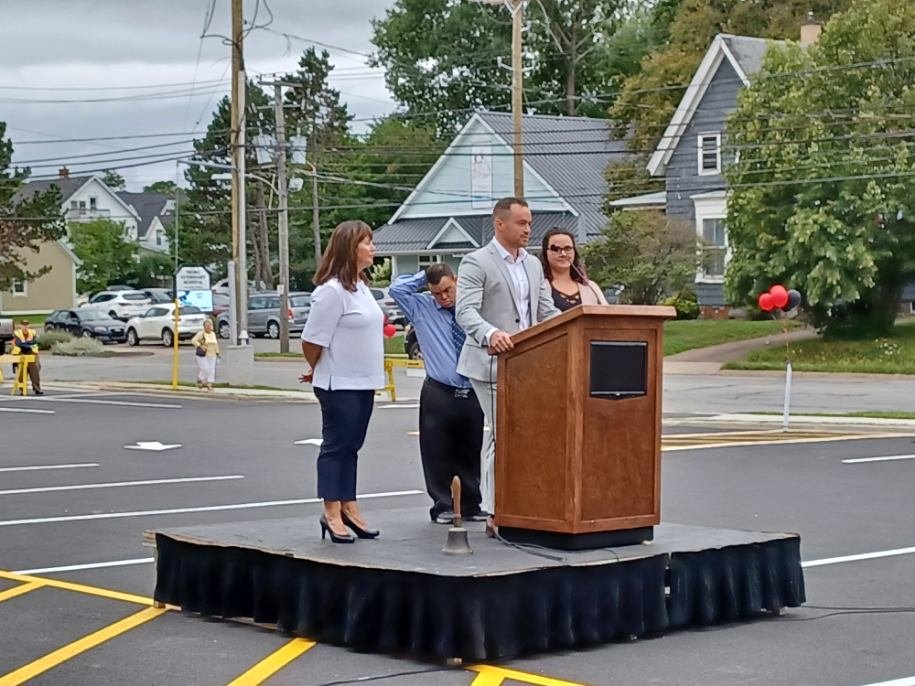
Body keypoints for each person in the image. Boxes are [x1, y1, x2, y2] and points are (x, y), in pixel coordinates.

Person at [455, 197, 561, 535]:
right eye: (521, 223)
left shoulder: (532, 265)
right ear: (499, 224)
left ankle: (506, 505)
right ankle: (496, 511)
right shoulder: (476, 262)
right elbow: (465, 312)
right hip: (489, 363)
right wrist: (491, 333)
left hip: (527, 364)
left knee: (507, 435)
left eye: (530, 223)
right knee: (505, 434)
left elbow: (545, 311)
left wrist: (578, 326)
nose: (528, 229)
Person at [300, 220, 385, 544]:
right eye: (368, 242)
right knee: (336, 447)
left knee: (352, 447)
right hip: (339, 383)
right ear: (351, 248)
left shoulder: (360, 287)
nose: (373, 247)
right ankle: (331, 510)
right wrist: (319, 368)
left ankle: (349, 505)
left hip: (364, 381)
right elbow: (311, 341)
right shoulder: (331, 292)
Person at [389, 263, 486, 525]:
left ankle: (470, 504)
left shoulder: (469, 307)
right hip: (440, 389)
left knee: (470, 450)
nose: (443, 298)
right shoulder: (421, 308)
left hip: (471, 389)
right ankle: (443, 504)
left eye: (447, 290)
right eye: (437, 293)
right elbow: (396, 289)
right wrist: (425, 275)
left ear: (456, 281)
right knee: (437, 451)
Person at [540, 227, 608, 311]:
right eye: (556, 249)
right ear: (545, 253)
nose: (563, 254)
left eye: (568, 248)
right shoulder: (540, 288)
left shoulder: (591, 287)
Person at [11, 319, 43, 395]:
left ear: (28, 325)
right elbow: (19, 344)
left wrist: (27, 344)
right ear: (20, 326)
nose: (25, 326)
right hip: (20, 352)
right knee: (21, 371)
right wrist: (28, 344)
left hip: (31, 352)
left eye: (26, 325)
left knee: (34, 369)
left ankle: (37, 388)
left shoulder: (33, 332)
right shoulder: (17, 333)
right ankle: (22, 389)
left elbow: (34, 342)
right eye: (23, 325)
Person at [191, 319, 220, 391]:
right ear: (204, 326)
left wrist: (218, 352)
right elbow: (193, 341)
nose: (208, 327)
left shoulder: (213, 334)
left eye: (209, 325)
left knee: (211, 369)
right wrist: (200, 346)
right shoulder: (201, 333)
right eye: (206, 326)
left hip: (212, 354)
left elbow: (215, 344)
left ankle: (209, 384)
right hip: (203, 354)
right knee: (206, 368)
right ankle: (200, 379)